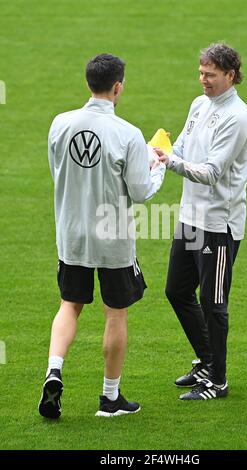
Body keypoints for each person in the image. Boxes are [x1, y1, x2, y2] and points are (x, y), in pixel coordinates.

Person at [38, 53, 165, 418]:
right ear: (118, 86)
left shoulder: (59, 124)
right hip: (112, 236)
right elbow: (141, 192)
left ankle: (54, 371)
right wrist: (156, 167)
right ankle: (110, 399)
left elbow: (58, 173)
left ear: (87, 83)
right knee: (115, 313)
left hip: (72, 232)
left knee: (69, 304)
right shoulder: (128, 134)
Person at [157, 43, 247, 400]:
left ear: (230, 75)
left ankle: (219, 380)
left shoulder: (237, 117)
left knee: (213, 303)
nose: (203, 80)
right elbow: (181, 146)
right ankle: (206, 359)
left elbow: (213, 173)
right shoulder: (199, 105)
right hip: (190, 218)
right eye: (201, 73)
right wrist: (162, 150)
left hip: (218, 225)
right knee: (177, 290)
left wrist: (170, 163)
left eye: (210, 75)